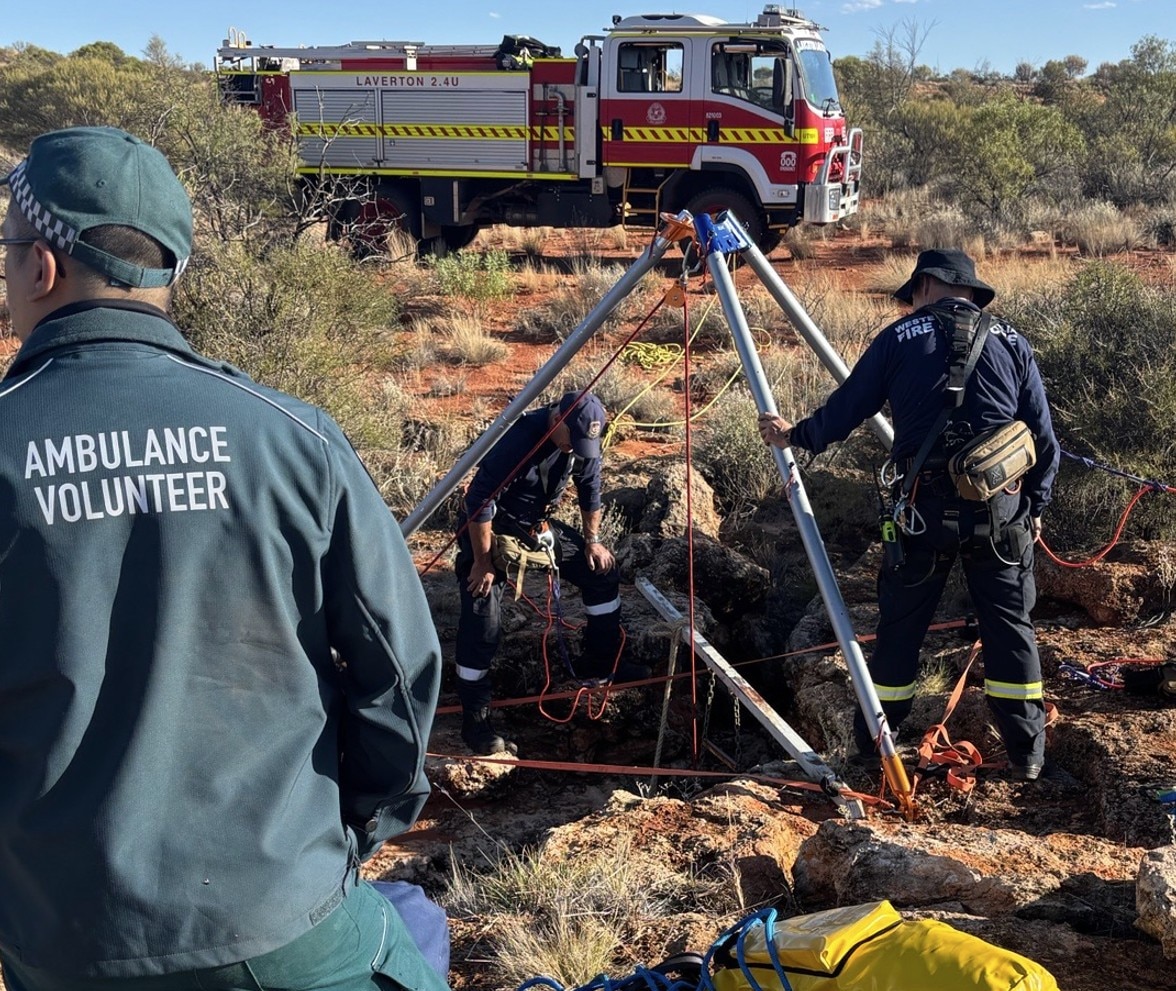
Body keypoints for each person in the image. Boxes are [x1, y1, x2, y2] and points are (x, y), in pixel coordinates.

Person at [0, 126, 448, 989]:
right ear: (168, 269)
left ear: (43, 268)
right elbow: (398, 670)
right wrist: (346, 837)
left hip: (60, 940)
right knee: (417, 930)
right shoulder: (291, 438)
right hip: (281, 920)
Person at [758, 248, 1060, 782]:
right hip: (1002, 515)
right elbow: (1043, 440)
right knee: (1012, 630)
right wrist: (1035, 507)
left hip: (922, 515)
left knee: (900, 631)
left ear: (923, 287)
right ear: (968, 290)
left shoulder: (898, 338)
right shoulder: (1014, 342)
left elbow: (847, 409)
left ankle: (877, 745)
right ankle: (1027, 755)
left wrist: (795, 435)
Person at [454, 391, 647, 755]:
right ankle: (474, 719)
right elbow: (479, 500)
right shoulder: (521, 438)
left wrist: (592, 541)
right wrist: (482, 563)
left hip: (535, 526)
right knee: (483, 614)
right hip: (491, 527)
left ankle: (600, 665)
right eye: (572, 440)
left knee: (602, 573)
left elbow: (591, 489)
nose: (577, 448)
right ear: (557, 419)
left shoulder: (581, 440)